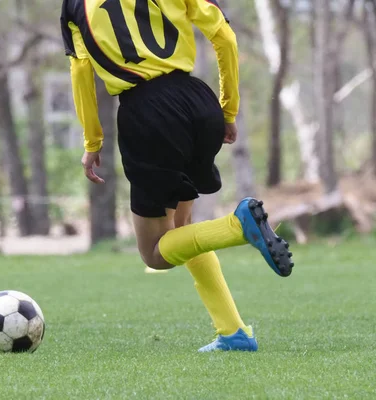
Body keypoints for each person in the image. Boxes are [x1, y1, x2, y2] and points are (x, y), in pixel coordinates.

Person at [60, 0, 295, 352]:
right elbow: (224, 37)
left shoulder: (74, 6)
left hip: (147, 114)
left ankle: (238, 225)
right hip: (198, 101)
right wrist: (227, 109)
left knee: (154, 253)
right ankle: (234, 333)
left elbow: (81, 73)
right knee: (184, 232)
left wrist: (92, 141)